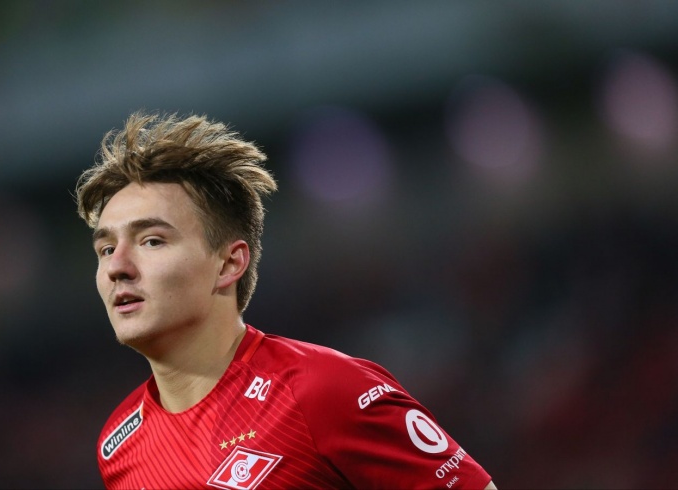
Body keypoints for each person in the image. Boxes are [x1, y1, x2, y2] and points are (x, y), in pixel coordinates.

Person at [76, 111, 496, 490]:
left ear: (228, 264)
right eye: (106, 249)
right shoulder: (120, 444)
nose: (117, 267)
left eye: (152, 241)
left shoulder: (321, 392)